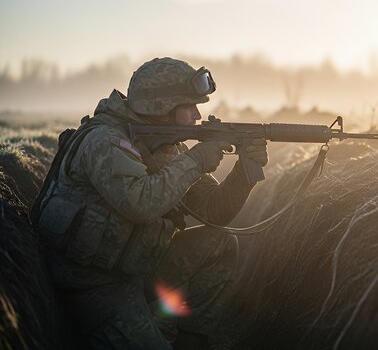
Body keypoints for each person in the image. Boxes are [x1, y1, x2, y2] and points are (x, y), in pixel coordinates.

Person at [34, 57, 267, 348]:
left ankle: (185, 339)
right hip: (91, 283)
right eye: (190, 106)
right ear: (163, 106)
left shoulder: (168, 145)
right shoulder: (104, 140)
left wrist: (244, 173)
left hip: (136, 269)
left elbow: (212, 211)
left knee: (218, 243)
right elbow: (140, 203)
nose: (197, 115)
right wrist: (195, 160)